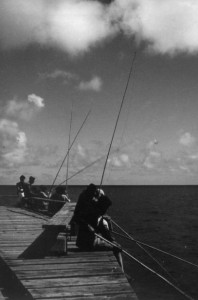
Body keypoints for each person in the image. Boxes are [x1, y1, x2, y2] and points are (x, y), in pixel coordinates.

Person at [72, 186, 123, 271]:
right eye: (105, 208)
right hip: (87, 244)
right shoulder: (95, 216)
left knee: (115, 244)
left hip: (87, 242)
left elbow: (104, 231)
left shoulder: (96, 214)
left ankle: (120, 269)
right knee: (117, 249)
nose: (105, 211)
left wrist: (111, 241)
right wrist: (88, 226)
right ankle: (122, 271)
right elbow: (77, 218)